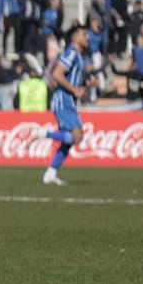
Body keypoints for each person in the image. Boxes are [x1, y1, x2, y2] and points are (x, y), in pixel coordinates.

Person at [38, 25, 89, 187]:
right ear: (75, 37)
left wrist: (87, 84)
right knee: (78, 136)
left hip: (67, 100)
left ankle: (50, 174)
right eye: (83, 34)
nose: (87, 37)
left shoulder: (78, 55)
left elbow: (67, 77)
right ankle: (42, 133)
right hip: (64, 100)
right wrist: (75, 90)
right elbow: (57, 74)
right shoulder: (72, 52)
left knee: (69, 141)